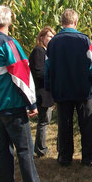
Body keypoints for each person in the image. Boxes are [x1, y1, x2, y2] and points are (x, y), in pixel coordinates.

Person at [0, 5, 56, 182]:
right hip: (11, 106)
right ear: (9, 22)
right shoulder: (9, 44)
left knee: (2, 150)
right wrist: (32, 103)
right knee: (25, 149)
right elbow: (21, 75)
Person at [45, 9, 92, 167]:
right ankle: (88, 158)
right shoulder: (84, 40)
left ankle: (65, 157)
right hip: (83, 90)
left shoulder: (53, 43)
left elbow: (47, 68)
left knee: (64, 124)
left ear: (62, 22)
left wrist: (50, 88)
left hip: (62, 90)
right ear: (76, 22)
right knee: (86, 124)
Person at [28, 26, 55, 158]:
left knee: (45, 120)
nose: (51, 39)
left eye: (52, 36)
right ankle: (40, 148)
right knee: (44, 121)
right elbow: (38, 72)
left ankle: (39, 147)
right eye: (49, 36)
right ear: (42, 38)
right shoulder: (39, 51)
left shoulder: (45, 52)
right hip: (42, 92)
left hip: (45, 92)